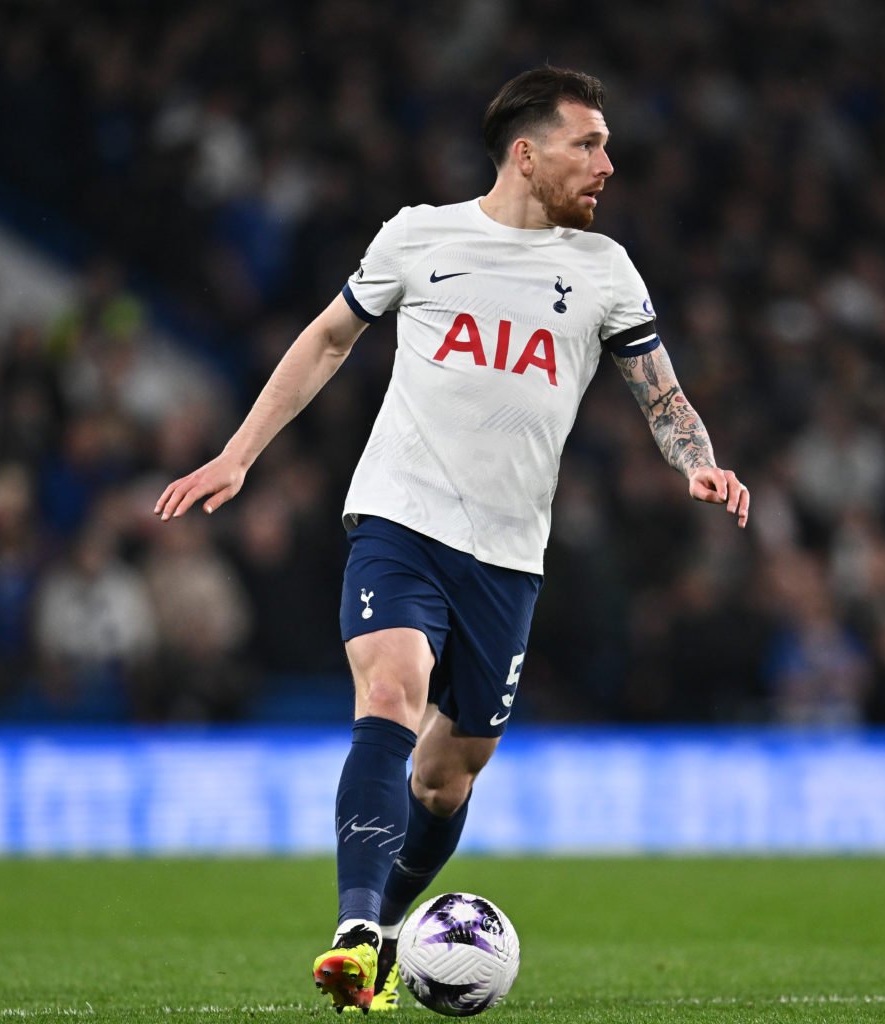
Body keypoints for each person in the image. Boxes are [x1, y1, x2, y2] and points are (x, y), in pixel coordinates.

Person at [155, 66, 749, 1013]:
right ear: (527, 151)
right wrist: (238, 456)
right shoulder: (419, 236)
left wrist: (697, 461)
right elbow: (325, 341)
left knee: (445, 778)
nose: (608, 162)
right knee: (389, 694)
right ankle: (354, 932)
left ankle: (387, 930)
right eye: (587, 144)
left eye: (605, 145)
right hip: (402, 516)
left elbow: (661, 393)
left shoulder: (606, 271)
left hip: (510, 554)